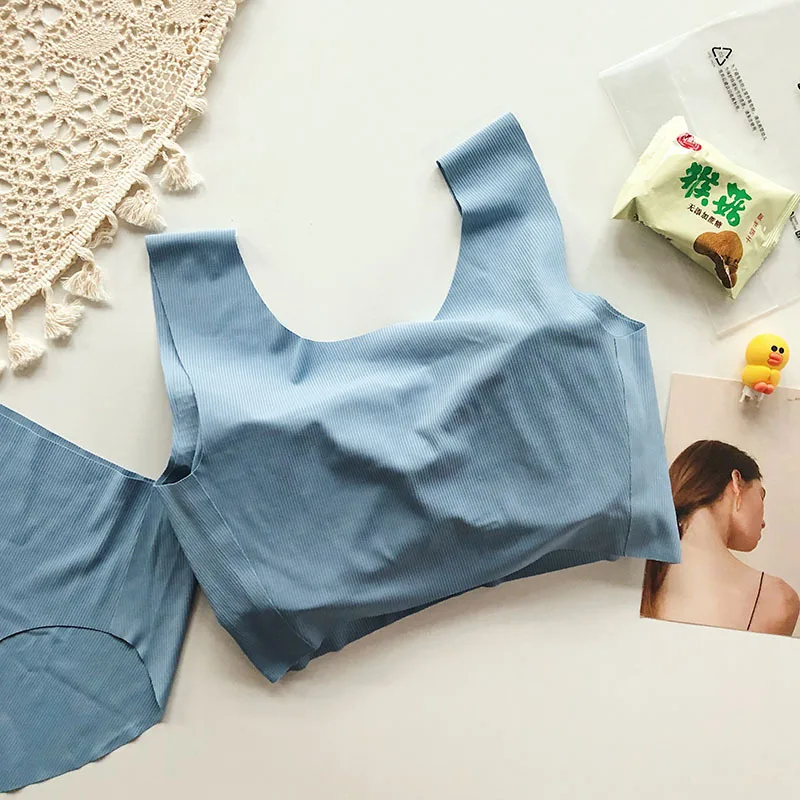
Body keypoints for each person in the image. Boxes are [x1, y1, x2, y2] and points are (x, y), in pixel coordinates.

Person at [641, 439, 800, 636]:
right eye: (761, 495)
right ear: (736, 483)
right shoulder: (777, 601)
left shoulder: (644, 577)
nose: (764, 522)